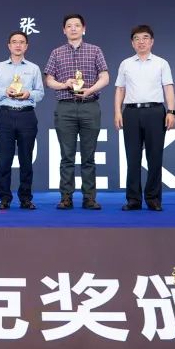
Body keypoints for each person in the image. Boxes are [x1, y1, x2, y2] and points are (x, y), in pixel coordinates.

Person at [43, 13, 110, 210]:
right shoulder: (56, 53)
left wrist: (91, 90)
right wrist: (64, 84)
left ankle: (89, 197)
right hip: (65, 107)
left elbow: (105, 77)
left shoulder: (95, 50)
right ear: (64, 30)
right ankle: (66, 197)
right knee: (67, 156)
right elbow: (49, 80)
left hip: (89, 105)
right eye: (69, 26)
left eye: (77, 25)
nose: (73, 28)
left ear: (84, 29)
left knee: (89, 156)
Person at [113, 25, 175, 211]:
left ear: (152, 41)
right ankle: (133, 199)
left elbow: (168, 88)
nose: (141, 42)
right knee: (132, 157)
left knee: (155, 157)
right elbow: (120, 89)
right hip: (131, 113)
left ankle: (153, 198)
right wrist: (117, 112)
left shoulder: (161, 63)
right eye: (137, 38)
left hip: (155, 112)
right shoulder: (125, 64)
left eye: (145, 38)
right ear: (132, 43)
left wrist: (171, 111)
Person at [0, 31, 44, 210]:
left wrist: (29, 94)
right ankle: (4, 198)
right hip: (5, 115)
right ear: (9, 46)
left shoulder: (33, 68)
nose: (18, 45)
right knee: (5, 160)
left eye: (21, 42)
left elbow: (40, 93)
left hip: (27, 115)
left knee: (26, 160)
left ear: (26, 46)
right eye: (14, 42)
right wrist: (4, 91)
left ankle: (25, 198)